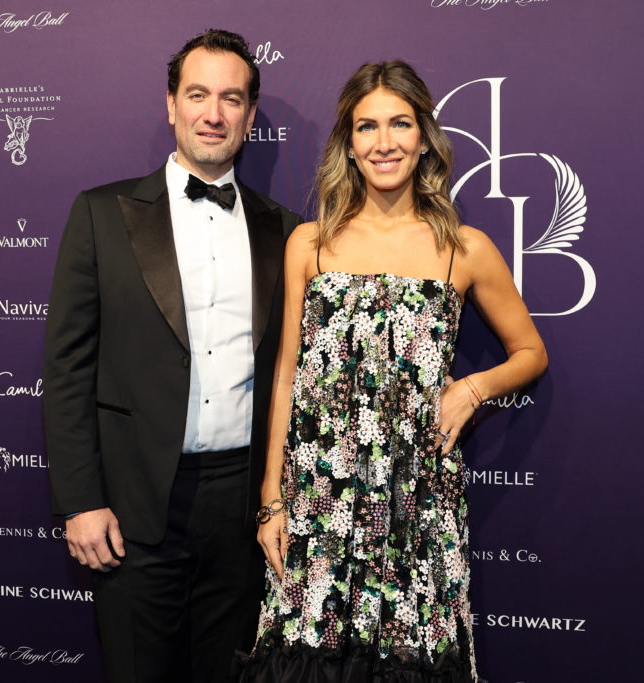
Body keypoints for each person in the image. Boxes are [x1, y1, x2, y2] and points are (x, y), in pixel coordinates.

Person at [237, 61, 548, 681]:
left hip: (417, 497)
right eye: (367, 127)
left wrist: (472, 388)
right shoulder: (311, 242)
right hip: (321, 496)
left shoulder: (465, 247)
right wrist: (272, 500)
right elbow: (285, 375)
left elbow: (531, 352)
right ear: (348, 145)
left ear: (424, 135)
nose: (385, 143)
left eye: (400, 124)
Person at [43, 29, 302, 683]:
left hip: (243, 508)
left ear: (249, 115)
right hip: (132, 508)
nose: (213, 113)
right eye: (198, 94)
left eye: (231, 98)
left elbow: (293, 376)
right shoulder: (101, 214)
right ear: (170, 105)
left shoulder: (289, 231)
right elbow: (67, 369)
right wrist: (80, 500)